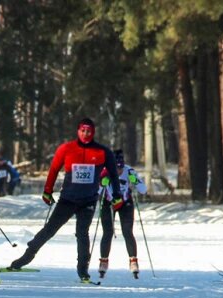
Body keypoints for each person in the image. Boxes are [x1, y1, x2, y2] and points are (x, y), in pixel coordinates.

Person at [9, 118, 123, 282]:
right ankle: (26, 257)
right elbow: (54, 169)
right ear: (78, 131)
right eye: (83, 130)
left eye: (89, 131)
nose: (86, 134)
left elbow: (113, 175)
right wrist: (47, 191)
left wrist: (117, 196)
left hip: (88, 200)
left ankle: (83, 270)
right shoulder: (66, 149)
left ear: (94, 132)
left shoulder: (103, 152)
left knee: (82, 234)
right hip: (68, 199)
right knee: (49, 229)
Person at [98, 150, 147, 278]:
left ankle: (133, 261)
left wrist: (135, 180)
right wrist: (101, 183)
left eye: (120, 168)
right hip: (109, 203)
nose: (118, 171)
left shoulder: (129, 170)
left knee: (127, 231)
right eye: (115, 168)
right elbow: (96, 191)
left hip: (126, 203)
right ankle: (103, 261)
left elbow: (143, 190)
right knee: (107, 232)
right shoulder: (104, 171)